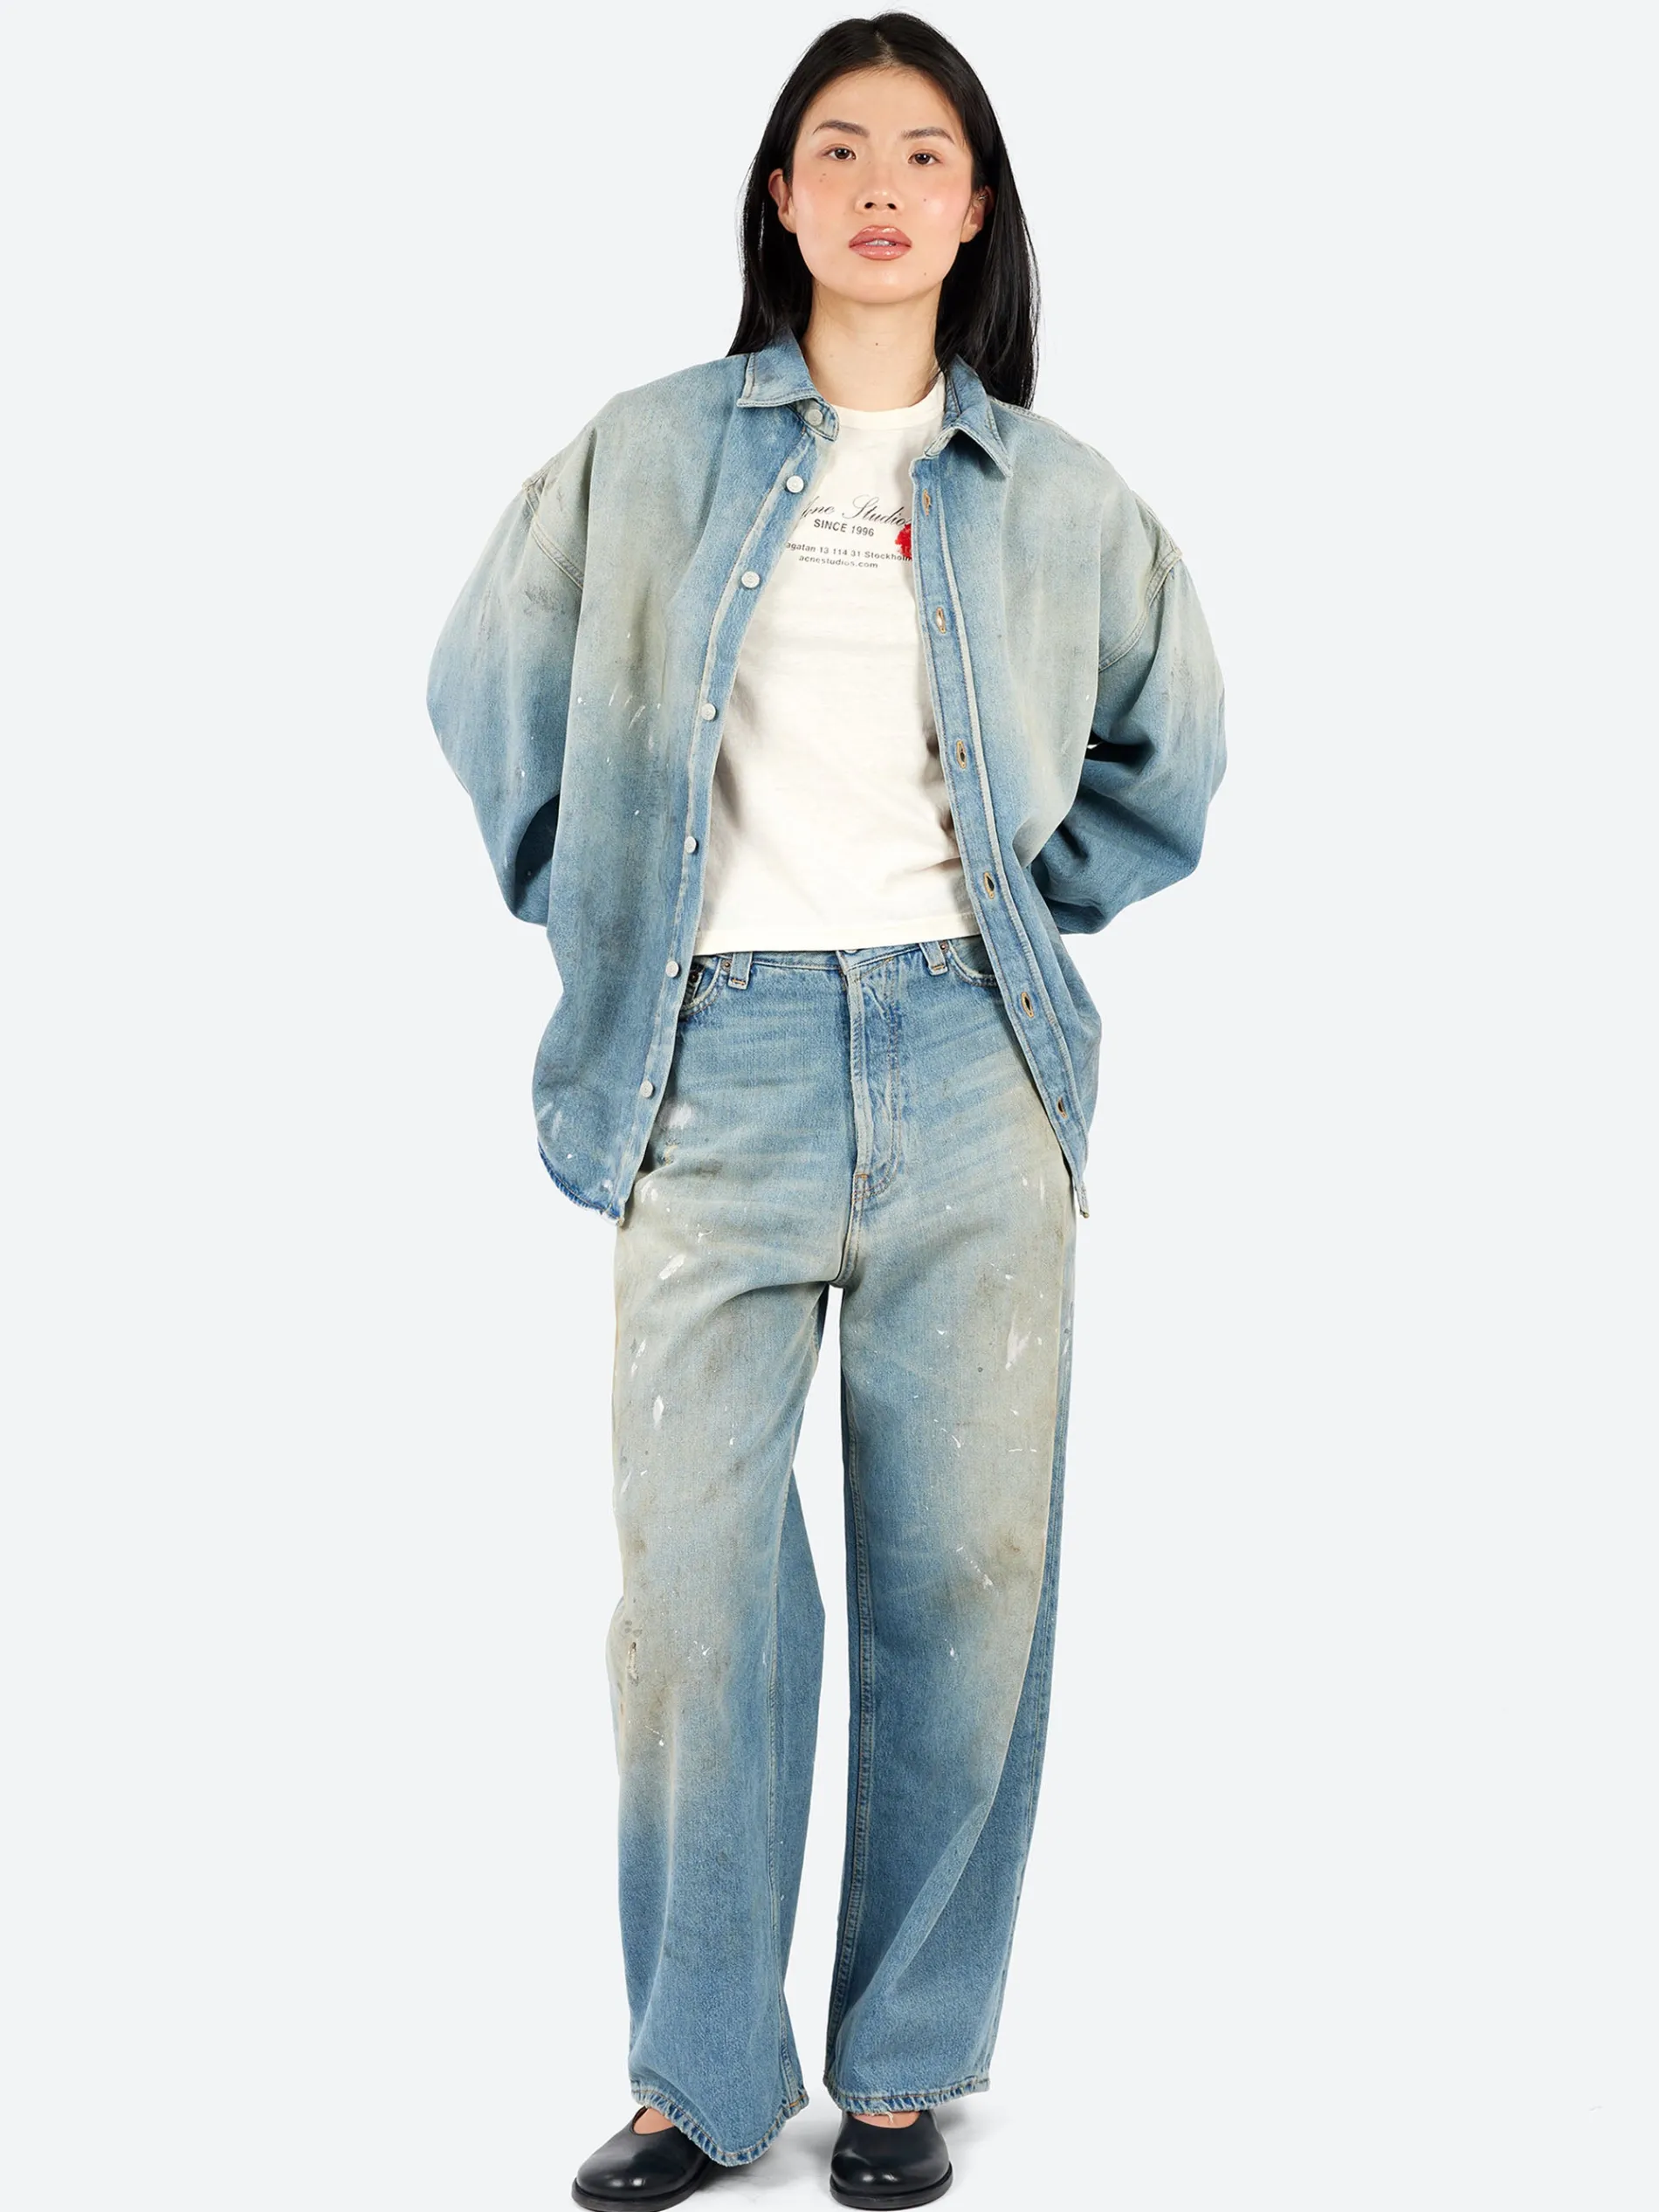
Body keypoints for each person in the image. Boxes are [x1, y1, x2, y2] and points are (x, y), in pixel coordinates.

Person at [426, 14, 1226, 2206]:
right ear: (778, 198)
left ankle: (900, 2064)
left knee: (965, 1582)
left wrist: (1015, 914)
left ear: (975, 210)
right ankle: (698, 2072)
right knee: (692, 1600)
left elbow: (1171, 749)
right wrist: (610, 898)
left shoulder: (1061, 501)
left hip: (974, 1069)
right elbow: (485, 681)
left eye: (924, 153)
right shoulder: (644, 452)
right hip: (716, 1065)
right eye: (838, 149)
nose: (880, 186)